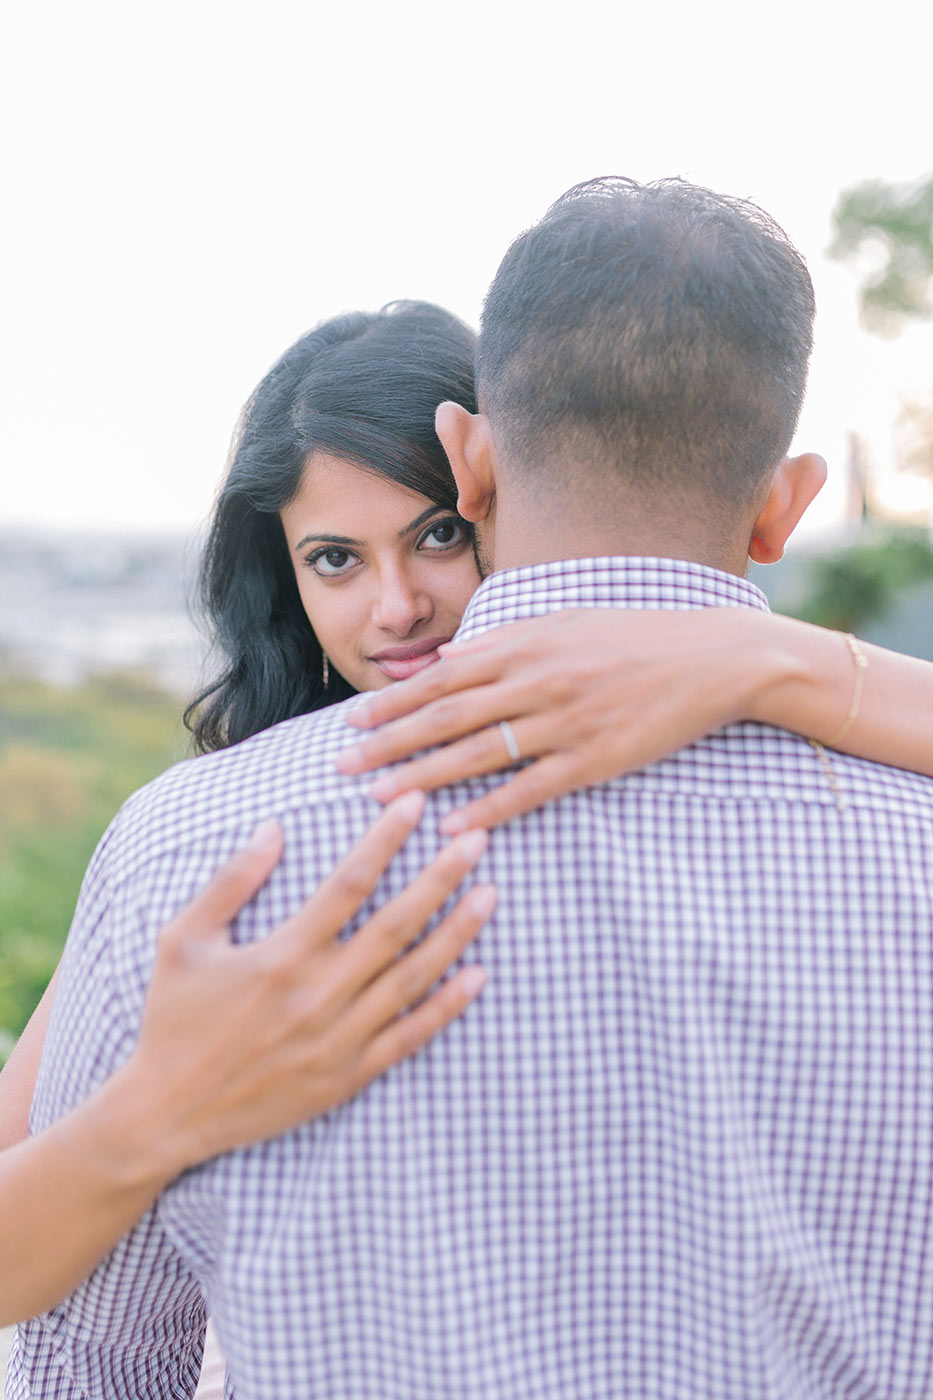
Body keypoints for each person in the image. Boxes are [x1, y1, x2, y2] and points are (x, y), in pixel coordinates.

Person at [7, 217, 933, 1396]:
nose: (399, 609)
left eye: (438, 535)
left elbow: (95, 1358)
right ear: (783, 505)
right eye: (334, 559)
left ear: (478, 468)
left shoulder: (200, 842)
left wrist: (772, 667)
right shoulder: (193, 840)